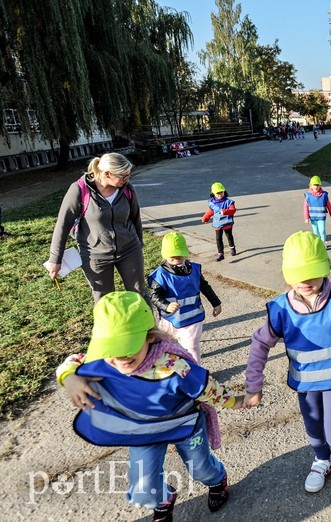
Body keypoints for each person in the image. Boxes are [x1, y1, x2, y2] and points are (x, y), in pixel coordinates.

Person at [57, 291, 243, 520]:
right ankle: (163, 500)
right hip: (142, 430)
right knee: (143, 487)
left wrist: (237, 401)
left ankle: (217, 480)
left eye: (128, 346)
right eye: (111, 348)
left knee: (201, 469)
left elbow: (207, 388)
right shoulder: (102, 359)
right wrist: (69, 377)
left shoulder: (174, 366)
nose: (119, 357)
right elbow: (72, 361)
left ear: (150, 337)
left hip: (184, 424)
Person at [244, 231, 331, 493]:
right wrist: (253, 385)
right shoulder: (280, 309)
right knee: (313, 427)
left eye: (312, 272)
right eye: (297, 274)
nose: (304, 280)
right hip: (305, 383)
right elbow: (260, 344)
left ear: (326, 267)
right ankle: (322, 458)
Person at [48, 153, 145, 302]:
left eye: (128, 175)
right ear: (107, 174)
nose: (127, 180)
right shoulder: (79, 190)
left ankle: (148, 325)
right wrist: (55, 259)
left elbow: (135, 217)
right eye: (123, 176)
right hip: (96, 256)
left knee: (139, 296)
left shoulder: (127, 189)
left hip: (130, 250)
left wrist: (139, 244)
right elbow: (62, 225)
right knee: (104, 301)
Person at [148, 232, 222, 363]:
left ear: (185, 254)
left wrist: (216, 303)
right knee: (164, 346)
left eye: (179, 258)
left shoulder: (194, 269)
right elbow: (154, 296)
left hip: (191, 319)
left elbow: (205, 287)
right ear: (165, 256)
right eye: (172, 259)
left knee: (192, 347)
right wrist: (166, 305)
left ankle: (195, 371)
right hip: (168, 320)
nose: (176, 262)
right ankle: (168, 368)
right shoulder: (160, 275)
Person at [201, 182, 237, 262]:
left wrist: (224, 211)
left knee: (229, 236)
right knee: (218, 238)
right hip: (217, 224)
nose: (220, 194)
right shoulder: (212, 203)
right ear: (213, 193)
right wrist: (205, 218)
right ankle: (220, 253)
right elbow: (210, 211)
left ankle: (232, 247)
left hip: (227, 223)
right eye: (218, 193)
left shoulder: (229, 202)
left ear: (224, 192)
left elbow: (233, 210)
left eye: (221, 192)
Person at [304, 176, 331, 245]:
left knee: (322, 230)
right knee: (316, 232)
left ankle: (323, 243)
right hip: (313, 217)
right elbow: (305, 207)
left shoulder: (324, 195)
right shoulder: (308, 196)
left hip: (321, 217)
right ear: (311, 185)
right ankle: (318, 244)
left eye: (317, 185)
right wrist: (306, 218)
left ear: (320, 185)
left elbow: (328, 203)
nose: (316, 187)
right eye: (314, 185)